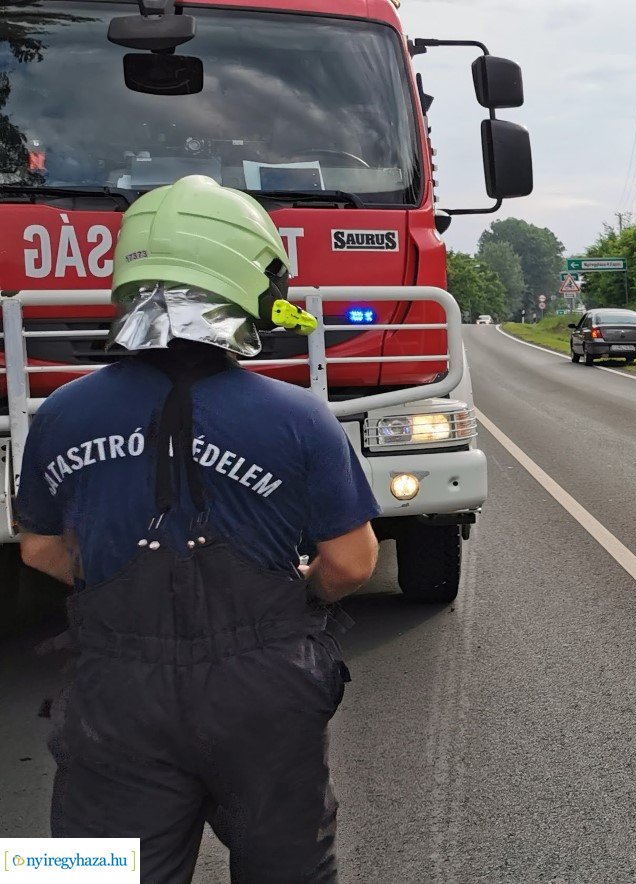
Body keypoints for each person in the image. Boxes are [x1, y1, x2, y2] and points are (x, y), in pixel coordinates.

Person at [16, 175, 381, 883]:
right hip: (265, 693)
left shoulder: (59, 411)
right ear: (244, 279)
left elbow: (38, 547)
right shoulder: (299, 416)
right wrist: (293, 597)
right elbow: (352, 563)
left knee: (81, 874)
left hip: (112, 693)